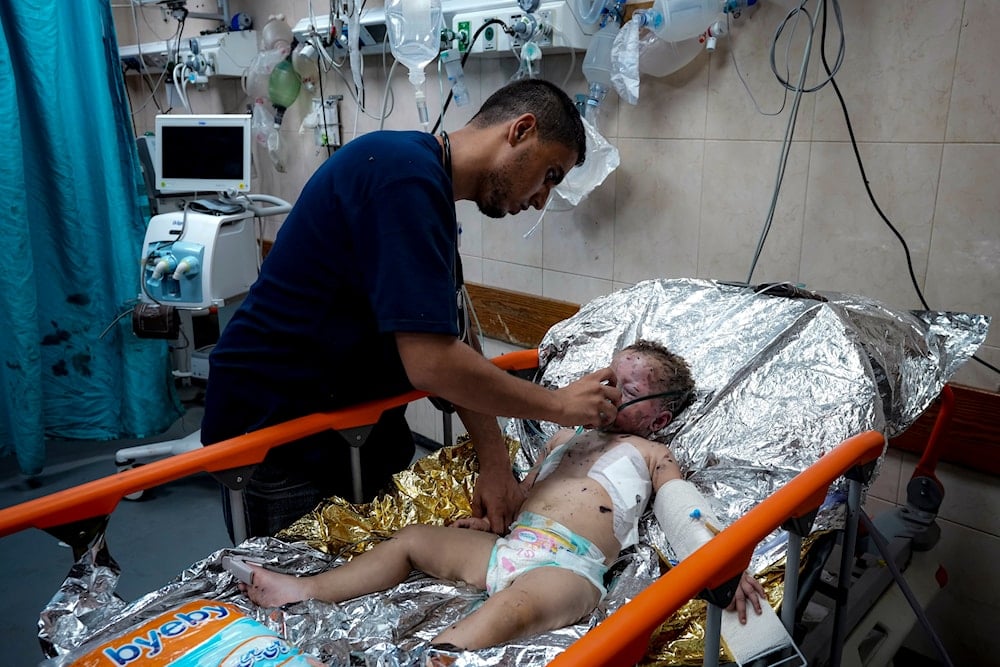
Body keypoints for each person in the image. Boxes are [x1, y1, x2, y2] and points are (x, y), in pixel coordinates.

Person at [201, 78, 622, 541]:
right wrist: (559, 407)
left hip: (355, 429)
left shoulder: (425, 187)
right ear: (520, 130)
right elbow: (433, 363)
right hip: (280, 434)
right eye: (551, 175)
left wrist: (496, 462)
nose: (542, 198)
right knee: (298, 597)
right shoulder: (401, 176)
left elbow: (456, 335)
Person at [238, 340, 766, 654]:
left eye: (626, 391)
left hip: (568, 567)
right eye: (608, 378)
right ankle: (308, 590)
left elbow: (682, 508)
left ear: (660, 416)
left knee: (515, 605)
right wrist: (497, 520)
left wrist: (714, 557)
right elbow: (527, 491)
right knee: (411, 540)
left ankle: (445, 653)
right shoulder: (568, 435)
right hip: (512, 544)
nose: (608, 392)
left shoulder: (648, 451)